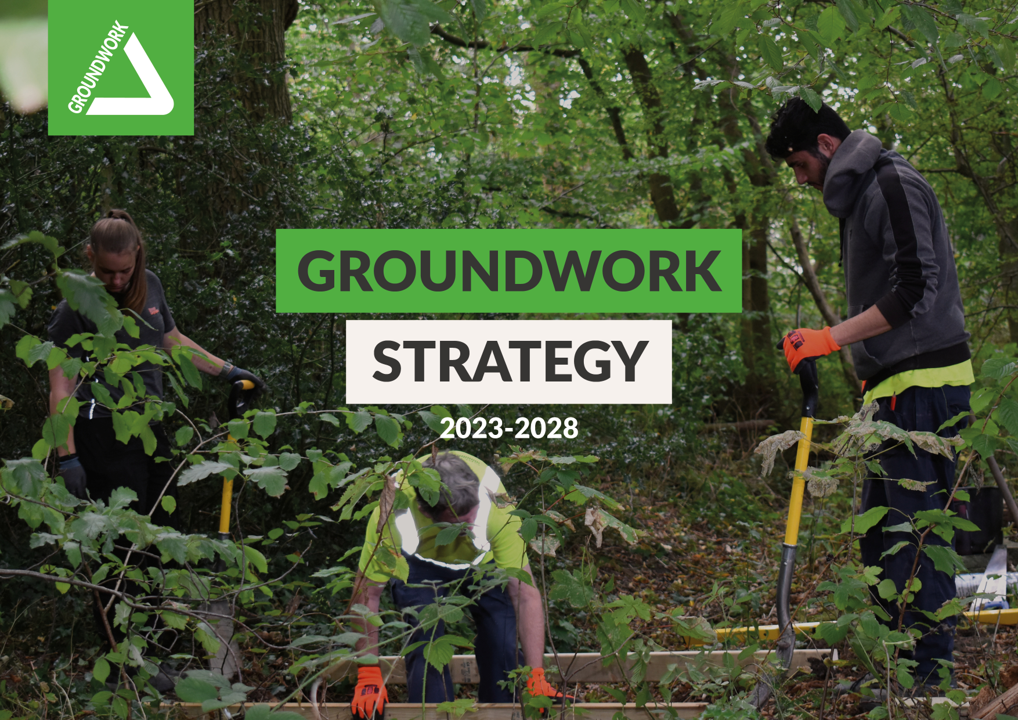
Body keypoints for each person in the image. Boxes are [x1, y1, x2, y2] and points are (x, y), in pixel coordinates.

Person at [766, 99, 973, 689]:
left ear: (828, 146)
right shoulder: (860, 199)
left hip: (927, 391)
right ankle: (896, 673)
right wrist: (868, 371)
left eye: (801, 164)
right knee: (883, 543)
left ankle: (926, 685)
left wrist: (830, 338)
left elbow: (916, 290)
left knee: (915, 543)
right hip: (893, 392)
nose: (801, 179)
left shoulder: (892, 183)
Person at [47, 209, 267, 688]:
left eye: (125, 269)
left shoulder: (150, 285)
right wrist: (68, 457)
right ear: (90, 257)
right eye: (108, 272)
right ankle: (125, 664)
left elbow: (170, 341)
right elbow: (60, 385)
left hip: (152, 431)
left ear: (137, 255)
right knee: (124, 550)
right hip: (101, 436)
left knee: (159, 545)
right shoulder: (74, 306)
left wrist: (228, 371)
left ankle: (153, 657)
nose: (119, 279)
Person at [348, 450, 565, 717]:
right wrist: (368, 672)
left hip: (482, 564)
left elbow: (525, 595)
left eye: (471, 518)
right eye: (457, 524)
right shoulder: (393, 509)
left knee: (500, 638)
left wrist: (536, 675)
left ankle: (502, 712)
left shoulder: (499, 508)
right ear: (424, 511)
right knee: (425, 638)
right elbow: (366, 594)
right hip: (417, 564)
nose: (469, 527)